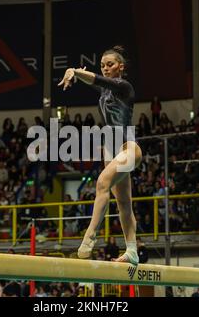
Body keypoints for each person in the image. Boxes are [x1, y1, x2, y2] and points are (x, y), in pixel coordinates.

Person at [58, 46, 143, 264]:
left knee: (102, 183)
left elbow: (96, 80)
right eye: (103, 65)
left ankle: (90, 235)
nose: (105, 68)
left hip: (128, 148)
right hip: (110, 149)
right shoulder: (106, 92)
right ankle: (132, 250)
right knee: (123, 202)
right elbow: (95, 82)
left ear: (121, 67)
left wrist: (75, 71)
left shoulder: (124, 87)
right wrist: (76, 73)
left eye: (110, 65)